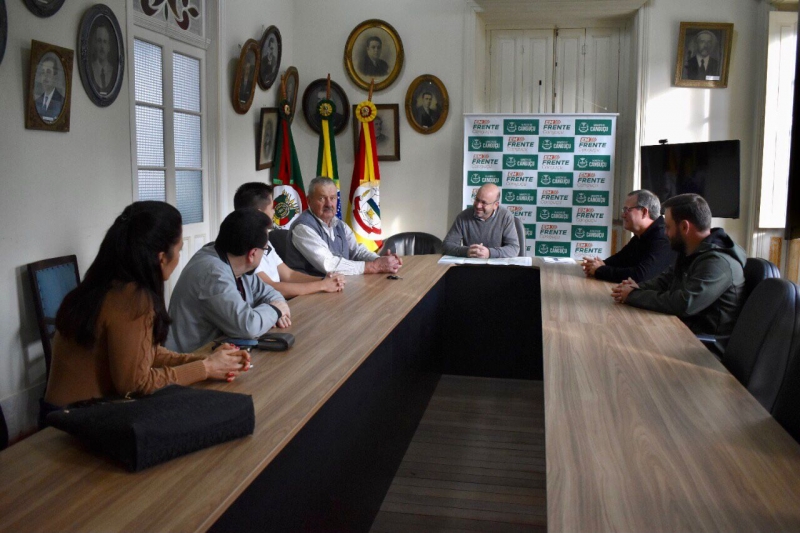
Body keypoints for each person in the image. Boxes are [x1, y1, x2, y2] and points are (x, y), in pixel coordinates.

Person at [42, 202, 250, 425]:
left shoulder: (106, 282)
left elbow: (142, 355)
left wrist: (206, 361)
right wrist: (205, 368)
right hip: (72, 422)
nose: (179, 257)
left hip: (62, 413)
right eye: (179, 250)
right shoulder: (133, 298)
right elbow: (135, 385)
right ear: (162, 258)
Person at [611, 193, 745, 349]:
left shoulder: (718, 263)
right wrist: (636, 287)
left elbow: (684, 303)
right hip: (680, 331)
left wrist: (633, 295)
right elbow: (664, 280)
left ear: (684, 227)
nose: (665, 233)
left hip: (702, 347)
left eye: (668, 227)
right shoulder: (690, 251)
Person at [166, 208, 290, 353]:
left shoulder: (237, 264)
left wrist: (273, 312)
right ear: (252, 254)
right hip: (192, 359)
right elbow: (248, 327)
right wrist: (275, 311)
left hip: (219, 352)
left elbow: (271, 294)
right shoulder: (212, 273)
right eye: (265, 249)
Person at [233, 182, 346, 298]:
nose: (274, 212)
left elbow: (289, 275)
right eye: (272, 208)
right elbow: (270, 288)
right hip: (269, 304)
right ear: (259, 213)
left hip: (278, 302)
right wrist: (322, 286)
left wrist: (326, 280)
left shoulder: (262, 238)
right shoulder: (244, 246)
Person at [284, 176, 402, 276]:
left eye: (332, 198)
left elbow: (356, 252)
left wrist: (382, 261)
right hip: (309, 291)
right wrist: (375, 266)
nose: (329, 204)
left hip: (336, 286)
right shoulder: (303, 228)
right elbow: (329, 265)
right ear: (309, 201)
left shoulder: (339, 224)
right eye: (322, 198)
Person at [582, 189, 673, 283]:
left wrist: (600, 270)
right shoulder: (641, 236)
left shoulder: (663, 237)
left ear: (644, 212)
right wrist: (597, 265)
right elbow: (621, 260)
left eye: (627, 210)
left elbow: (640, 276)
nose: (622, 215)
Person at [442, 183, 519, 258]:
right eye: (477, 200)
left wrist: (489, 253)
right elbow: (446, 245)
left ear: (495, 205)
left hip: (497, 265)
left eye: (484, 203)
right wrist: (467, 251)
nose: (478, 205)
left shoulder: (505, 217)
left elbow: (513, 248)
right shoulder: (463, 217)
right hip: (471, 265)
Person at [34, 56, 63, 123]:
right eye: (43, 72)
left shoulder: (61, 102)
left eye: (48, 72)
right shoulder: (37, 101)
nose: (45, 76)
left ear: (55, 77)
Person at [90, 24, 114, 94]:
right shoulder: (91, 68)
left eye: (105, 42)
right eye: (99, 41)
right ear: (95, 44)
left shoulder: (112, 71)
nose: (102, 47)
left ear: (109, 47)